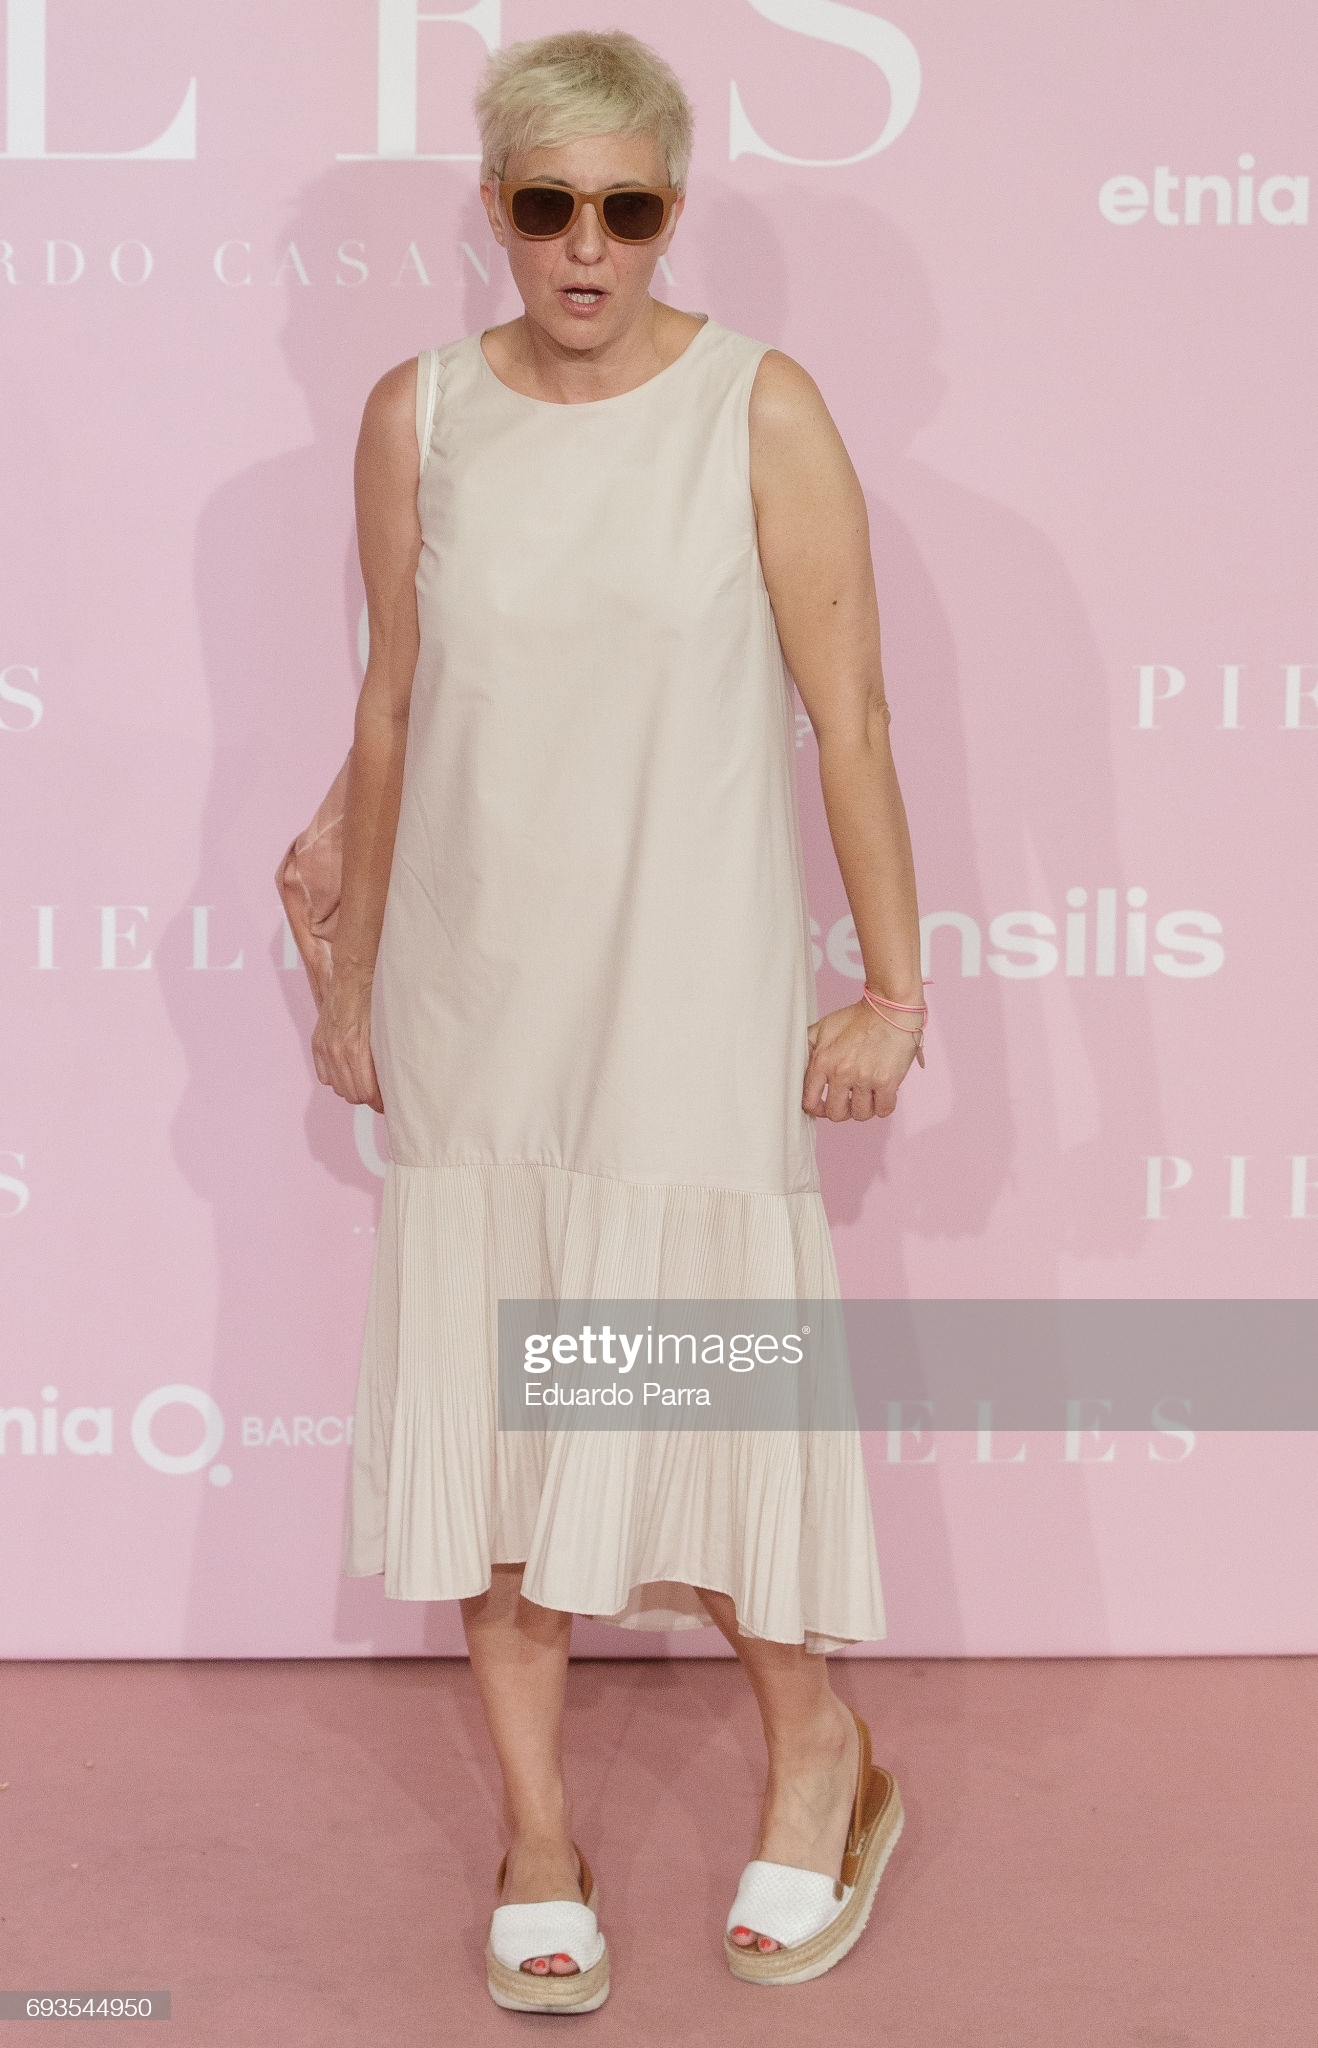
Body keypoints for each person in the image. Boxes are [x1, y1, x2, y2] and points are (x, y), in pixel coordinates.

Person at [311, 27, 924, 2013]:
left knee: (696, 1394)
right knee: (498, 1428)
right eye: (548, 204)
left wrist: (891, 986)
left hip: (683, 999)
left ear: (672, 212)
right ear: (494, 210)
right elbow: (393, 707)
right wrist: (350, 970)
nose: (586, 245)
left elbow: (848, 714)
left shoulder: (757, 407)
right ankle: (538, 1836)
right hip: (479, 995)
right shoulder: (416, 414)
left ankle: (820, 1756)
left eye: (627, 208)